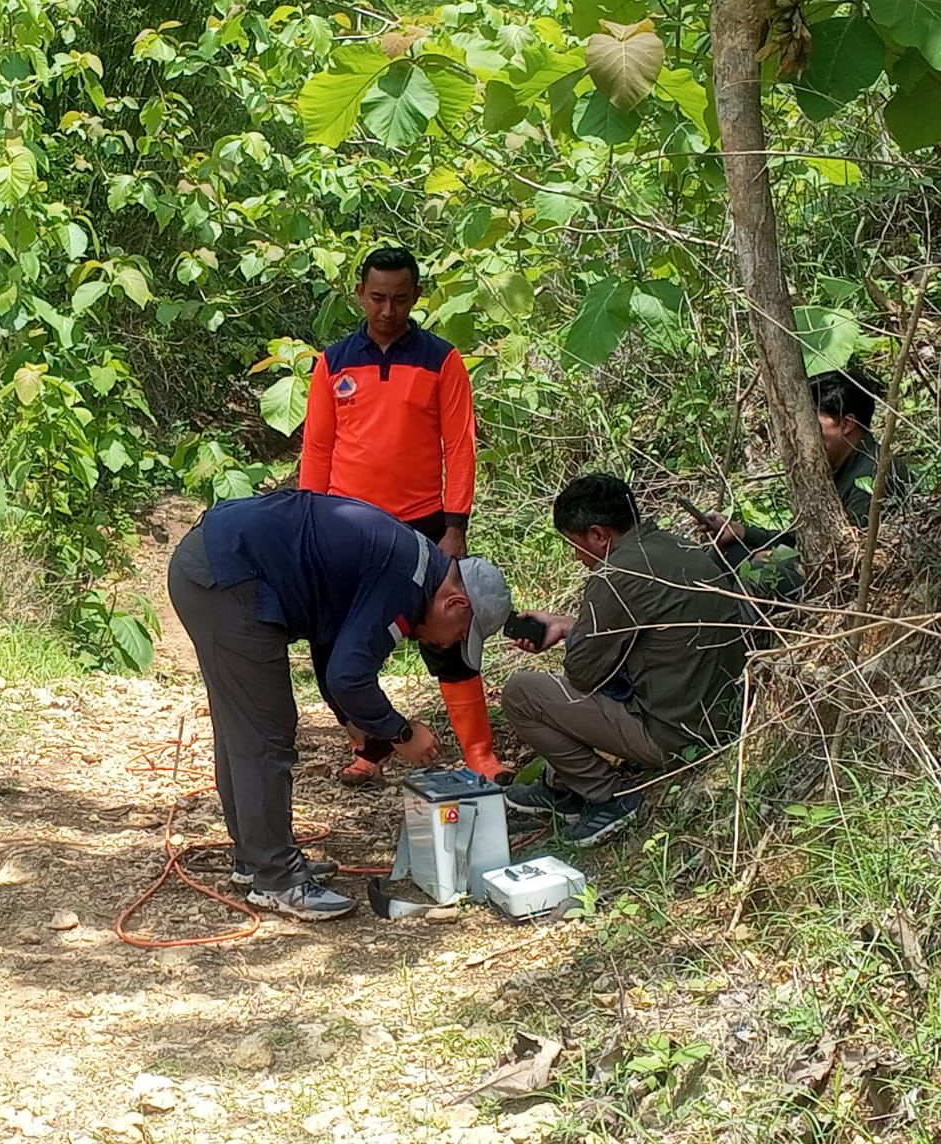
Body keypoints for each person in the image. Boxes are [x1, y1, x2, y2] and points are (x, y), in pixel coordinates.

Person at [168, 490, 513, 920]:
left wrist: (352, 717)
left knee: (244, 726)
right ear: (456, 604)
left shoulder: (413, 564)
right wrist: (399, 732)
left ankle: (256, 859)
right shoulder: (404, 583)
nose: (449, 643)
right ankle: (277, 879)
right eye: (461, 634)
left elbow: (331, 642)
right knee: (264, 732)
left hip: (218, 562)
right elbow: (348, 675)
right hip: (230, 577)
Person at [298, 247, 503, 782]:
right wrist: (306, 516)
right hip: (343, 527)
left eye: (399, 298)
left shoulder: (441, 359)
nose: (387, 310)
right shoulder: (334, 361)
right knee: (333, 644)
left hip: (423, 524)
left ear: (415, 297)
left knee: (450, 636)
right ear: (360, 295)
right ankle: (370, 746)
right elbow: (318, 447)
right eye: (377, 297)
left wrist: (455, 524)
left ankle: (480, 752)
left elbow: (459, 445)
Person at [502, 474, 747, 847]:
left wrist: (576, 637)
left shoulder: (617, 575)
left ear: (599, 535)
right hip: (722, 719)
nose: (576, 556)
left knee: (523, 693)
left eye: (575, 544)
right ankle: (561, 785)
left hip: (673, 734)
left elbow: (583, 674)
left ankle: (607, 797)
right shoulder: (678, 547)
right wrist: (571, 626)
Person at [698, 369, 908, 589]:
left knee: (761, 573)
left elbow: (848, 557)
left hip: (844, 585)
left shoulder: (875, 474)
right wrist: (744, 533)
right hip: (814, 566)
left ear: (847, 424)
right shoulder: (835, 468)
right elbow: (805, 537)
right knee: (728, 552)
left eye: (811, 426)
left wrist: (775, 558)